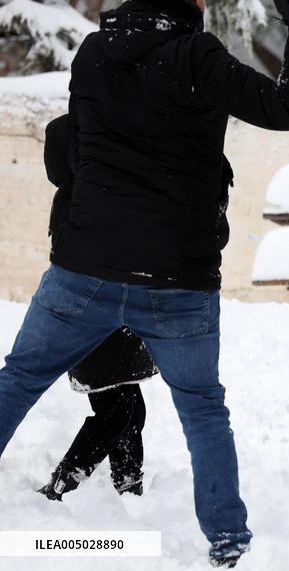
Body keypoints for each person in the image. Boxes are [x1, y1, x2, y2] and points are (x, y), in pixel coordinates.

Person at [0, 0, 289, 568]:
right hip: (177, 277)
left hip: (84, 270)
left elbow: (69, 151)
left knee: (17, 382)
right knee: (202, 408)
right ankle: (228, 541)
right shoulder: (198, 57)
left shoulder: (93, 54)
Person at [37, 114, 159, 501]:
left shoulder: (86, 197)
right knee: (117, 409)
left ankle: (128, 483)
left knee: (129, 406)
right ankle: (63, 483)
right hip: (94, 318)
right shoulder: (81, 203)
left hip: (114, 317)